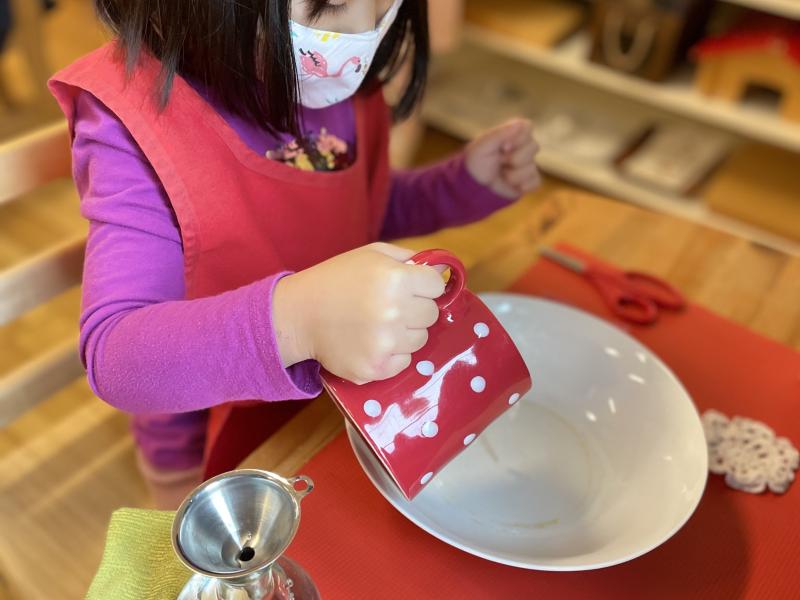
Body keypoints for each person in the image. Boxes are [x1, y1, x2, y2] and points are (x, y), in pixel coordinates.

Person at [49, 0, 541, 508]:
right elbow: (116, 358)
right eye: (331, 3)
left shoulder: (337, 81)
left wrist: (461, 184)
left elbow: (357, 210)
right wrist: (299, 320)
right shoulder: (132, 123)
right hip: (212, 446)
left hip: (340, 403)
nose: (364, 31)